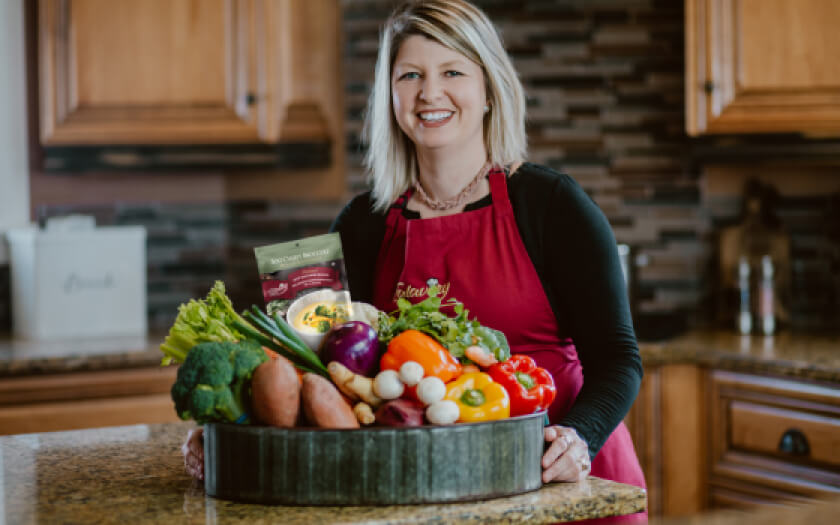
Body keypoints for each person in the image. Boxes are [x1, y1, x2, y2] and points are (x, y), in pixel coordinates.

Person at [185, 1, 646, 521]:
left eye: (452, 71)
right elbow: (309, 367)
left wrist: (579, 437)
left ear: (489, 89)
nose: (430, 92)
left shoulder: (552, 204)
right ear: (391, 97)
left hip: (558, 478)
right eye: (410, 75)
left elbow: (618, 359)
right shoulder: (364, 222)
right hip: (428, 487)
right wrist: (230, 423)